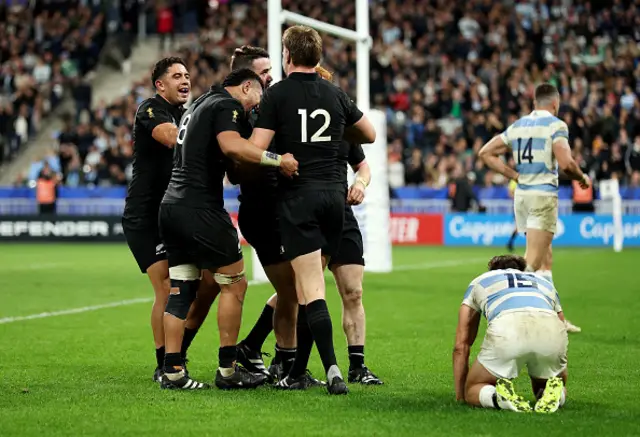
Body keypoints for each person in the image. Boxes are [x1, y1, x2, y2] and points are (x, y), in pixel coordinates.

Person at [248, 25, 376, 395]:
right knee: (317, 288)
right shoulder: (335, 94)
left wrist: (278, 158)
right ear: (317, 57)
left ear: (287, 55)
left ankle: (332, 368)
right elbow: (368, 134)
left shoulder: (277, 95)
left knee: (310, 289)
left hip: (299, 198)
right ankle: (299, 369)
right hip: (334, 200)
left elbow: (258, 149)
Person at [157, 68, 298, 390]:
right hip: (200, 209)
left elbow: (230, 167)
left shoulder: (198, 104)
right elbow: (233, 146)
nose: (254, 108)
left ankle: (173, 371)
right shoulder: (227, 106)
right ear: (247, 87)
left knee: (180, 292)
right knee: (234, 285)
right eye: (257, 97)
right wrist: (278, 160)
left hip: (171, 207)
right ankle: (228, 370)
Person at [122, 57, 207, 382]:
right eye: (176, 76)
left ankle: (176, 354)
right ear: (160, 84)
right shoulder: (150, 108)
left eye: (187, 74)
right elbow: (172, 137)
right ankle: (165, 364)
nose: (184, 80)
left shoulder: (186, 113)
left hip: (173, 213)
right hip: (145, 216)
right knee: (168, 288)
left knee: (195, 284)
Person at [478, 83, 587, 333]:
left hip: (523, 197)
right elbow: (566, 163)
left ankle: (556, 319)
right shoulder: (556, 126)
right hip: (542, 195)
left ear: (534, 102)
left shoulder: (518, 125)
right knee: (531, 265)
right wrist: (582, 177)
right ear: (555, 103)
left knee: (545, 258)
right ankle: (501, 312)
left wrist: (513, 174)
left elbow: (485, 153)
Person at [224, 46, 303, 385]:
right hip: (261, 211)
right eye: (264, 71)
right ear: (247, 79)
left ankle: (254, 347)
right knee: (294, 290)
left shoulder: (268, 107)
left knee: (296, 288)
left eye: (272, 68)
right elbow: (236, 170)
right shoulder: (237, 116)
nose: (271, 75)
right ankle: (284, 365)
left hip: (279, 209)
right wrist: (275, 160)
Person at [453, 254, 568, 413]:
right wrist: (559, 376)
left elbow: (461, 345)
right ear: (521, 270)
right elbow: (561, 328)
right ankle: (557, 393)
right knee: (547, 384)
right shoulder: (545, 283)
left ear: (492, 270)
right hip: (550, 329)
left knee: (474, 387)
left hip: (508, 328)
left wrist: (462, 395)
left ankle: (497, 397)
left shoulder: (481, 280)